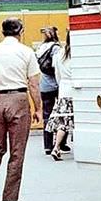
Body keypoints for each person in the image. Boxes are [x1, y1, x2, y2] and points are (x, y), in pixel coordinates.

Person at [0, 17, 42, 201]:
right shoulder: (26, 52)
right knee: (17, 150)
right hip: (19, 100)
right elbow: (33, 84)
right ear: (20, 31)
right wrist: (38, 108)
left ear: (3, 31)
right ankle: (9, 197)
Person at [46, 35, 73, 161]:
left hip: (63, 89)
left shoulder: (59, 54)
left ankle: (56, 147)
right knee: (76, 120)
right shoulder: (77, 53)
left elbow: (57, 74)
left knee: (63, 121)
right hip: (75, 90)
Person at [37, 26, 62, 155]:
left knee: (47, 114)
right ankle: (61, 143)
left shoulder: (40, 48)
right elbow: (57, 66)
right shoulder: (56, 48)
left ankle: (47, 145)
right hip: (55, 85)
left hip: (44, 86)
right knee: (60, 113)